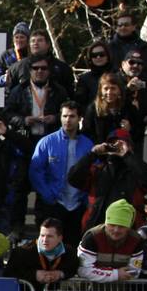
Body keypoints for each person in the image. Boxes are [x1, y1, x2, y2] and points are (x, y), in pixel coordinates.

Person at [30, 101, 94, 242]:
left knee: (74, 245)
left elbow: (93, 172)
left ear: (79, 118)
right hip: (54, 203)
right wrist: (47, 194)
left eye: (72, 116)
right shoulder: (47, 142)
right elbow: (36, 171)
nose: (68, 120)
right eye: (64, 116)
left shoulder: (88, 145)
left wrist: (86, 197)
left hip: (77, 204)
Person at [68, 128, 147, 232]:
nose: (116, 147)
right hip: (97, 227)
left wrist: (127, 155)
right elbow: (73, 178)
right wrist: (92, 154)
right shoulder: (98, 170)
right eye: (112, 143)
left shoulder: (136, 171)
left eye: (120, 144)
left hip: (128, 229)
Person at [77, 198, 145, 282]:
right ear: (105, 223)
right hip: (90, 289)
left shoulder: (136, 240)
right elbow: (83, 270)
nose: (116, 230)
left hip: (123, 290)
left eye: (121, 226)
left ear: (128, 227)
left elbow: (134, 272)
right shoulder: (92, 237)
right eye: (112, 225)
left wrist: (103, 272)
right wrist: (116, 274)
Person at [6, 55, 62, 153]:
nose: (39, 71)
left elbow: (68, 112)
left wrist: (55, 118)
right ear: (30, 70)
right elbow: (7, 113)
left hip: (51, 137)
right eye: (35, 68)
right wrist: (23, 120)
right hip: (26, 138)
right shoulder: (18, 90)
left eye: (44, 68)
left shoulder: (59, 90)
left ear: (49, 70)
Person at [5, 217, 78, 291]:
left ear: (60, 238)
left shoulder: (69, 252)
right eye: (42, 235)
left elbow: (74, 269)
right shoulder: (23, 252)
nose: (45, 240)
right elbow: (9, 274)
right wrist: (34, 275)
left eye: (50, 236)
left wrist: (61, 274)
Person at [0, 22, 30, 89]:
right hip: (11, 94)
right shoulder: (6, 55)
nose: (19, 40)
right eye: (16, 37)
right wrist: (4, 79)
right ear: (13, 39)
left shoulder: (32, 54)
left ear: (27, 39)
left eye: (22, 37)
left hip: (30, 92)